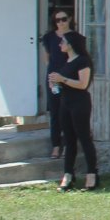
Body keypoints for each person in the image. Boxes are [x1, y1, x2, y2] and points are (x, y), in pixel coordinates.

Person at [49, 31, 96, 191]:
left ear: (71, 44)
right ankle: (68, 175)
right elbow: (63, 86)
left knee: (84, 138)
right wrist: (55, 85)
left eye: (63, 41)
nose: (60, 44)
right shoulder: (66, 61)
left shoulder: (83, 61)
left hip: (80, 103)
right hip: (65, 102)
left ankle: (92, 175)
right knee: (68, 141)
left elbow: (83, 84)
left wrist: (63, 79)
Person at [42, 11, 72, 159]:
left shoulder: (74, 37)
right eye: (57, 20)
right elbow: (47, 58)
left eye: (63, 19)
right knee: (55, 111)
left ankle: (68, 144)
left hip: (69, 78)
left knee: (67, 111)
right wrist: (51, 74)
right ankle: (56, 146)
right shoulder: (49, 37)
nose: (60, 22)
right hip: (54, 78)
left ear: (69, 19)